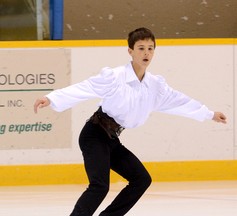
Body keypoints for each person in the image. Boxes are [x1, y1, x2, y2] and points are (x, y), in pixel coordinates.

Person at [34, 27, 227, 216]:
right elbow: (85, 88)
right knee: (100, 186)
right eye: (141, 48)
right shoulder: (115, 77)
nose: (146, 53)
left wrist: (209, 114)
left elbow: (179, 101)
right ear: (130, 51)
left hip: (111, 139)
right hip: (94, 134)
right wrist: (52, 98)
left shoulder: (155, 85)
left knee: (141, 179)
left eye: (150, 48)